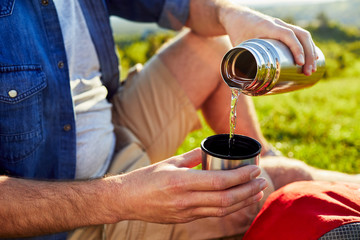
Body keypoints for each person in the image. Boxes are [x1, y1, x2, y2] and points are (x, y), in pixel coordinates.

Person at [0, 0, 359, 239]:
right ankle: (281, 175)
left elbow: (185, 5)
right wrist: (122, 197)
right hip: (66, 214)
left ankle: (265, 157)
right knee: (283, 181)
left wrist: (230, 14)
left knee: (213, 44)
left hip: (108, 128)